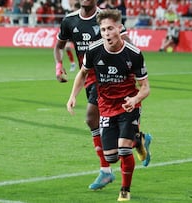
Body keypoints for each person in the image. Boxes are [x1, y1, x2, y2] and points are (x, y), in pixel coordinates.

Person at [54, 0, 152, 191]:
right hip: (89, 74)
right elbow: (59, 46)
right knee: (93, 121)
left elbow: (127, 44)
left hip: (106, 77)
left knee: (92, 118)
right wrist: (59, 65)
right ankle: (136, 139)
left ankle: (107, 171)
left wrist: (130, 64)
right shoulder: (69, 21)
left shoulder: (106, 17)